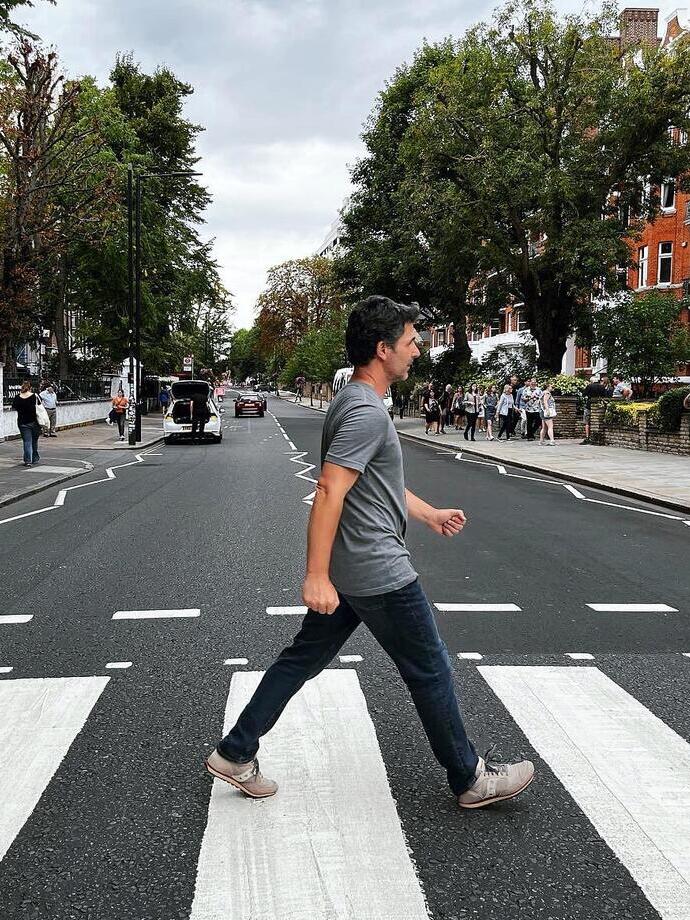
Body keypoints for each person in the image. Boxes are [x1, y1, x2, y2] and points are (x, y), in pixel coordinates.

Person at [205, 294, 534, 808]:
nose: (417, 351)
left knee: (302, 659)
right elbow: (330, 489)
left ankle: (235, 751)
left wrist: (428, 514)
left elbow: (374, 481)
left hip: (353, 569)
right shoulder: (367, 412)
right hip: (377, 570)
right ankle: (471, 779)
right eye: (410, 342)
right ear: (383, 348)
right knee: (430, 668)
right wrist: (315, 575)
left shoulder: (353, 401)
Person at [12, 380, 41, 467]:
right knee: (34, 441)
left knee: (27, 441)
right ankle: (35, 457)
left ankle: (28, 461)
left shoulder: (17, 397)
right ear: (30, 387)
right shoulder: (34, 396)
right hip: (34, 422)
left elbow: (14, 407)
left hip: (22, 422)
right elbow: (40, 406)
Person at [581, 373, 608, 445]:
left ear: (591, 381)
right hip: (599, 407)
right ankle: (596, 437)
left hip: (589, 405)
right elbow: (605, 396)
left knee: (587, 422)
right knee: (597, 421)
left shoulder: (589, 386)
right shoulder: (602, 387)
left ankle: (587, 437)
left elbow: (583, 394)